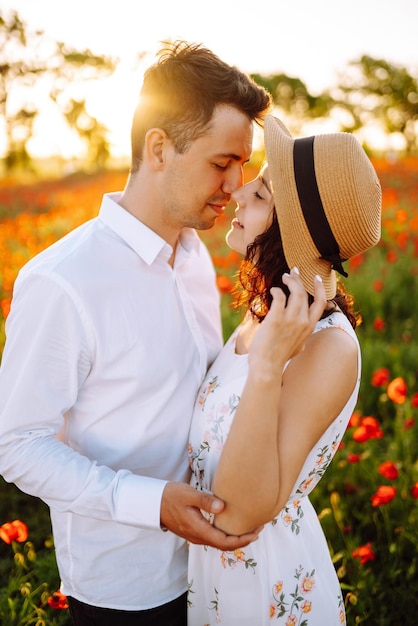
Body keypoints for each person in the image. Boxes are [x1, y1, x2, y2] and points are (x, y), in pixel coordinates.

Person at [0, 41, 272, 625]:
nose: (235, 185)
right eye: (222, 162)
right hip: (127, 589)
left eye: (243, 166)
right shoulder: (61, 281)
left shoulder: (199, 256)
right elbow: (18, 445)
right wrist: (154, 505)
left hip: (215, 569)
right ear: (159, 149)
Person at [187, 114, 382, 625]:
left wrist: (268, 365)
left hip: (263, 590)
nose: (239, 190)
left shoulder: (327, 349)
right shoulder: (264, 314)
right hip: (210, 578)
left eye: (262, 195)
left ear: (292, 232)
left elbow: (238, 511)